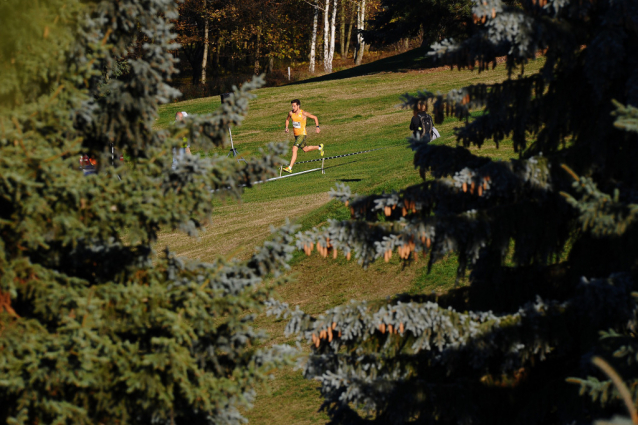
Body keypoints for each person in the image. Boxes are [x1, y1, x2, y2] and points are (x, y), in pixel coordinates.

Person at [283, 99, 324, 173]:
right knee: (306, 149)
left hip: (302, 134)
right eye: (292, 106)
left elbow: (315, 117)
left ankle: (290, 167)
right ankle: (319, 147)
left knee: (294, 149)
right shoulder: (291, 113)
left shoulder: (303, 113)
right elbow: (287, 120)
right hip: (296, 135)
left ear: (298, 106)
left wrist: (317, 127)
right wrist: (286, 127)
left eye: (294, 106)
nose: (293, 108)